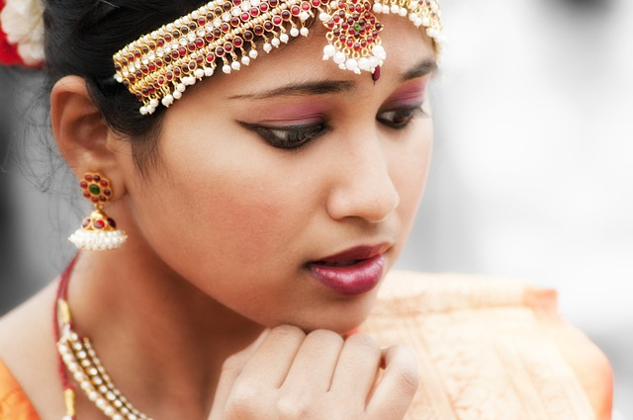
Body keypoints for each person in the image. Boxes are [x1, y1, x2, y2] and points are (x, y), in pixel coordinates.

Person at [0, 0, 613, 419]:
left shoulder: (539, 382)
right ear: (92, 137)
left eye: (400, 114)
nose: (377, 196)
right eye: (295, 132)